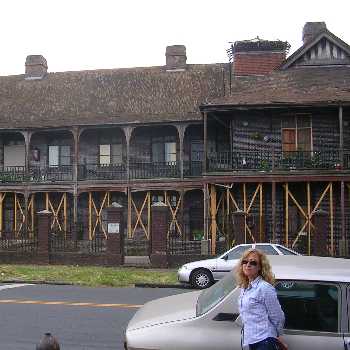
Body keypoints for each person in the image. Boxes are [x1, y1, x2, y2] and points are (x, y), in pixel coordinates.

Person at [235, 248, 287, 350]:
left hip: (264, 341)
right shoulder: (245, 287)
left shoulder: (264, 288)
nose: (248, 265)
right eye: (245, 261)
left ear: (260, 267)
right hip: (250, 340)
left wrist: (279, 335)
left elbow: (278, 316)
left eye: (253, 262)